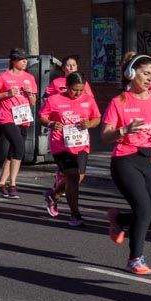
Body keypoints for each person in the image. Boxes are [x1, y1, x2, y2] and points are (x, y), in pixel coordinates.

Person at [102, 53, 151, 276]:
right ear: (131, 74)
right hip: (125, 159)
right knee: (143, 210)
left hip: (150, 159)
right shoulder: (119, 101)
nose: (150, 79)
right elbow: (105, 136)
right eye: (145, 73)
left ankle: (119, 219)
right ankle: (135, 259)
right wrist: (124, 130)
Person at [39, 73, 101, 226]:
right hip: (61, 145)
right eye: (74, 90)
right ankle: (75, 215)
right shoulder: (54, 100)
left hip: (81, 144)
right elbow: (42, 116)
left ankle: (53, 194)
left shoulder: (88, 99)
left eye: (81, 90)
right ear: (67, 86)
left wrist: (90, 124)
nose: (78, 93)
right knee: (72, 177)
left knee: (79, 177)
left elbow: (97, 118)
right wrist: (51, 123)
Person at [0, 49, 38, 198]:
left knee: (13, 151)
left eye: (26, 60)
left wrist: (30, 94)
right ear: (13, 61)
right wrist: (7, 94)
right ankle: (13, 184)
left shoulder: (29, 78)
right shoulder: (3, 77)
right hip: (7, 117)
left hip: (23, 117)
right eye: (22, 60)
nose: (25, 62)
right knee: (19, 147)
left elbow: (33, 102)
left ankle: (0, 183)